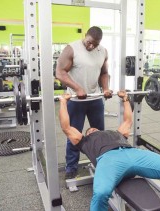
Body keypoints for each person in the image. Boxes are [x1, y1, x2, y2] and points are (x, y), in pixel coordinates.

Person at [58, 91, 160, 211]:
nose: (91, 129)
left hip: (133, 153)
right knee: (101, 193)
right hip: (109, 159)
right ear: (86, 134)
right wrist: (63, 102)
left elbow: (128, 120)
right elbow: (66, 127)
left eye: (93, 128)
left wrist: (125, 99)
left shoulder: (117, 133)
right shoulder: (84, 141)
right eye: (89, 130)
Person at [56, 26, 112, 179]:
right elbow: (60, 72)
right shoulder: (71, 49)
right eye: (89, 42)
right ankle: (71, 167)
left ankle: (101, 164)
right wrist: (77, 88)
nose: (91, 46)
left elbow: (104, 72)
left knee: (100, 135)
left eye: (95, 44)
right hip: (75, 100)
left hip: (95, 100)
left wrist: (106, 88)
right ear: (85, 36)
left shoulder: (103, 51)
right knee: (74, 135)